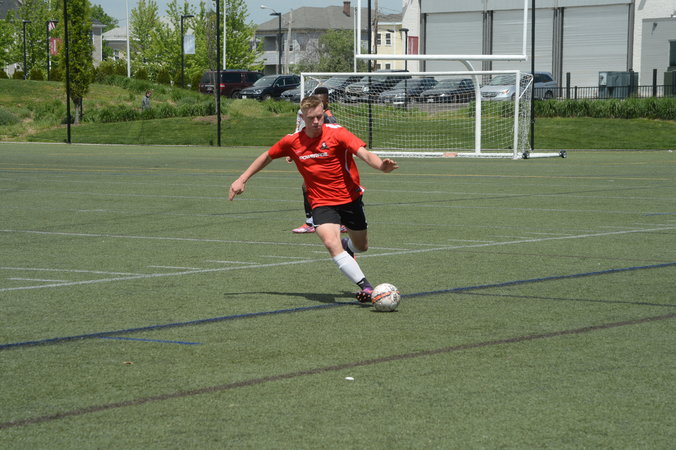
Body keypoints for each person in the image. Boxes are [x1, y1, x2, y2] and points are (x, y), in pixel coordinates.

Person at [229, 94, 399, 302]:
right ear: (302, 118)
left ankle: (348, 247)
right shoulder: (292, 141)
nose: (317, 121)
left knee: (361, 246)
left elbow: (364, 153)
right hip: (321, 202)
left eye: (320, 117)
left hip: (350, 198)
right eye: (311, 118)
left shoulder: (338, 133)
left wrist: (381, 166)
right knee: (330, 242)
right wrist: (242, 179)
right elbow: (267, 156)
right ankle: (367, 287)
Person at [291, 86, 345, 234]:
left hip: (326, 159)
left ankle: (313, 222)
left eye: (322, 100)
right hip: (316, 157)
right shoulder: (313, 115)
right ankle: (322, 221)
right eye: (317, 100)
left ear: (327, 101)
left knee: (318, 187)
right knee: (310, 187)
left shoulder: (328, 117)